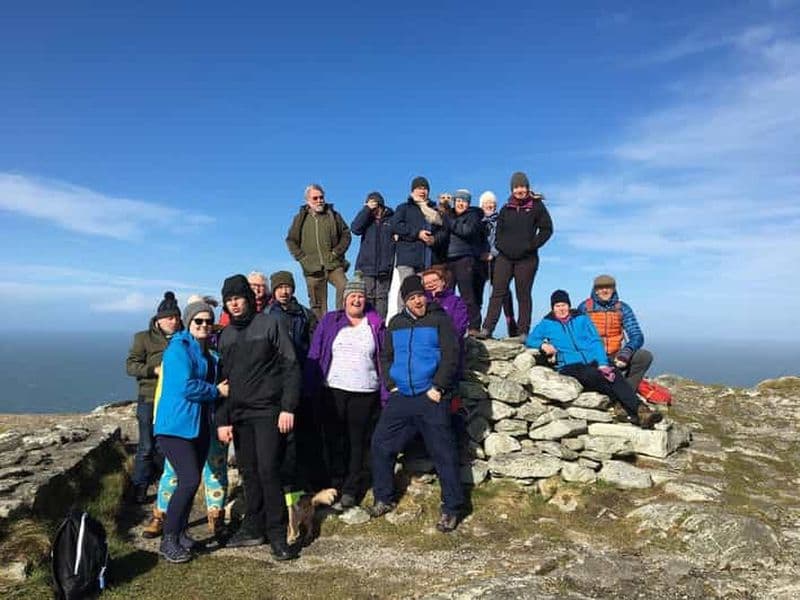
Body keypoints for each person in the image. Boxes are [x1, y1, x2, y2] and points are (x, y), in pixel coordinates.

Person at [215, 274, 302, 561]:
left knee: (268, 471)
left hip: (268, 411)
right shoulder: (225, 336)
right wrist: (223, 420)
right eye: (229, 300)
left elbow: (291, 366)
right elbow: (225, 382)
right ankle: (254, 527)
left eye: (238, 298)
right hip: (239, 415)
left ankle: (277, 534)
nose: (234, 304)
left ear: (249, 299)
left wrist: (288, 407)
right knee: (249, 473)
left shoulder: (270, 323)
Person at [369, 275, 464, 533]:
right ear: (405, 301)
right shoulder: (395, 323)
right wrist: (391, 385)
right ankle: (383, 497)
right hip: (402, 396)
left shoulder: (440, 319)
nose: (417, 301)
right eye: (411, 298)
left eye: (419, 295)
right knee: (380, 444)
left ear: (426, 296)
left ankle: (452, 508)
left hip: (430, 396)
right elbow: (386, 357)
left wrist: (439, 387)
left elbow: (451, 355)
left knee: (443, 452)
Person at [143, 296, 230, 542]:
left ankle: (181, 534)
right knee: (189, 479)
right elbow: (186, 386)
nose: (204, 325)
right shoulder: (178, 348)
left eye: (208, 321)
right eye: (198, 321)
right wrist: (216, 391)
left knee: (190, 481)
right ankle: (169, 537)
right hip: (176, 426)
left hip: (198, 425)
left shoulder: (208, 355)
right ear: (188, 323)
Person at [305, 272, 386, 510]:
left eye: (360, 296)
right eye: (352, 296)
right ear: (344, 299)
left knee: (357, 443)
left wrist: (386, 392)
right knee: (333, 440)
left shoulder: (375, 323)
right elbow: (315, 352)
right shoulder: (330, 321)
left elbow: (384, 357)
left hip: (364, 391)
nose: (356, 300)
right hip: (333, 391)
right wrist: (310, 387)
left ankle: (351, 489)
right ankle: (334, 486)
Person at [525, 290, 662, 429]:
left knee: (613, 374)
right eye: (558, 306)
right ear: (553, 308)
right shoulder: (547, 323)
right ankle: (625, 406)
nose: (561, 309)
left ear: (569, 305)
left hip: (592, 359)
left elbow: (595, 340)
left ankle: (642, 411)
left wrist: (603, 363)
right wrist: (543, 345)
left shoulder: (581, 318)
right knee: (595, 376)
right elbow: (530, 339)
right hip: (569, 365)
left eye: (564, 305)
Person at [267, 270, 325, 495]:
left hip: (303, 380)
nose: (284, 290)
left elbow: (315, 345)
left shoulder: (305, 314)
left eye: (287, 286)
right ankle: (287, 484)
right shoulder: (266, 315)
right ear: (274, 290)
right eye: (279, 287)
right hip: (278, 384)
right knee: (285, 438)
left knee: (309, 435)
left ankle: (314, 482)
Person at [479, 172, 553, 340]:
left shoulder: (536, 206)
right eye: (516, 187)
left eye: (522, 186)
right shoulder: (506, 208)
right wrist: (500, 246)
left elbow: (547, 229)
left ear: (527, 188)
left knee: (523, 294)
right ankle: (487, 328)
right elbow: (499, 231)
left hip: (527, 259)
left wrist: (532, 245)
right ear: (512, 189)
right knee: (498, 292)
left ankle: (523, 331)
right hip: (505, 257)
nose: (520, 190)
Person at [126, 291, 182, 504]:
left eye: (176, 317)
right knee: (147, 445)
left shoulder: (183, 337)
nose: (174, 321)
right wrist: (153, 370)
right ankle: (139, 488)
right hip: (149, 397)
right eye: (169, 317)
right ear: (159, 319)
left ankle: (165, 486)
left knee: (166, 444)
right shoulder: (143, 338)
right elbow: (131, 366)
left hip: (174, 399)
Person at [286, 183, 351, 319]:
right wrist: (303, 259)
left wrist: (336, 252)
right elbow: (291, 240)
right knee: (317, 305)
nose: (319, 201)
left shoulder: (333, 215)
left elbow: (346, 234)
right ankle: (320, 332)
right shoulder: (300, 218)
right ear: (307, 201)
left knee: (345, 286)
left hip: (333, 264)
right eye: (315, 198)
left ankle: (340, 320)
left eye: (321, 197)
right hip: (312, 269)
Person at [578, 275, 653, 390]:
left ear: (614, 289)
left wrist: (626, 352)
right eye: (600, 287)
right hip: (592, 356)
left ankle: (628, 391)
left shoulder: (622, 308)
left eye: (608, 287)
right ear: (595, 290)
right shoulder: (585, 308)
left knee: (644, 356)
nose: (604, 290)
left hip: (616, 356)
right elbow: (576, 333)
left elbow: (636, 335)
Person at [390, 176, 449, 311]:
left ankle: (420, 320)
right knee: (407, 288)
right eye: (419, 188)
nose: (422, 191)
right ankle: (402, 317)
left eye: (425, 188)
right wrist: (417, 233)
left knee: (422, 291)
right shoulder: (404, 208)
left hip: (426, 258)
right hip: (407, 256)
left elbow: (444, 230)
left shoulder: (434, 210)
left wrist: (434, 239)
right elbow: (395, 225)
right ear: (413, 191)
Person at [444, 189, 485, 334]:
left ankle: (474, 326)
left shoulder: (473, 216)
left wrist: (448, 219)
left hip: (464, 258)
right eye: (459, 201)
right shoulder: (449, 214)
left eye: (464, 201)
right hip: (448, 259)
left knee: (467, 295)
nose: (461, 204)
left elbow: (466, 231)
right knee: (447, 294)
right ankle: (448, 324)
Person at [476, 191, 517, 336]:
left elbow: (504, 239)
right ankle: (477, 326)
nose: (490, 205)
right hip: (479, 259)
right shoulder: (477, 220)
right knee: (477, 294)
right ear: (481, 205)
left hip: (498, 258)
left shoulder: (501, 219)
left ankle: (510, 322)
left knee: (503, 291)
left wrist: (492, 253)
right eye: (487, 202)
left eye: (492, 203)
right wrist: (480, 253)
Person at [350, 191, 396, 318]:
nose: (374, 211)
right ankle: (367, 325)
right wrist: (366, 210)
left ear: (381, 206)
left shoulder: (392, 219)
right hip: (366, 268)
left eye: (376, 207)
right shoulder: (366, 219)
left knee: (382, 299)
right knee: (366, 297)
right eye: (371, 207)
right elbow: (355, 229)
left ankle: (379, 328)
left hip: (385, 268)